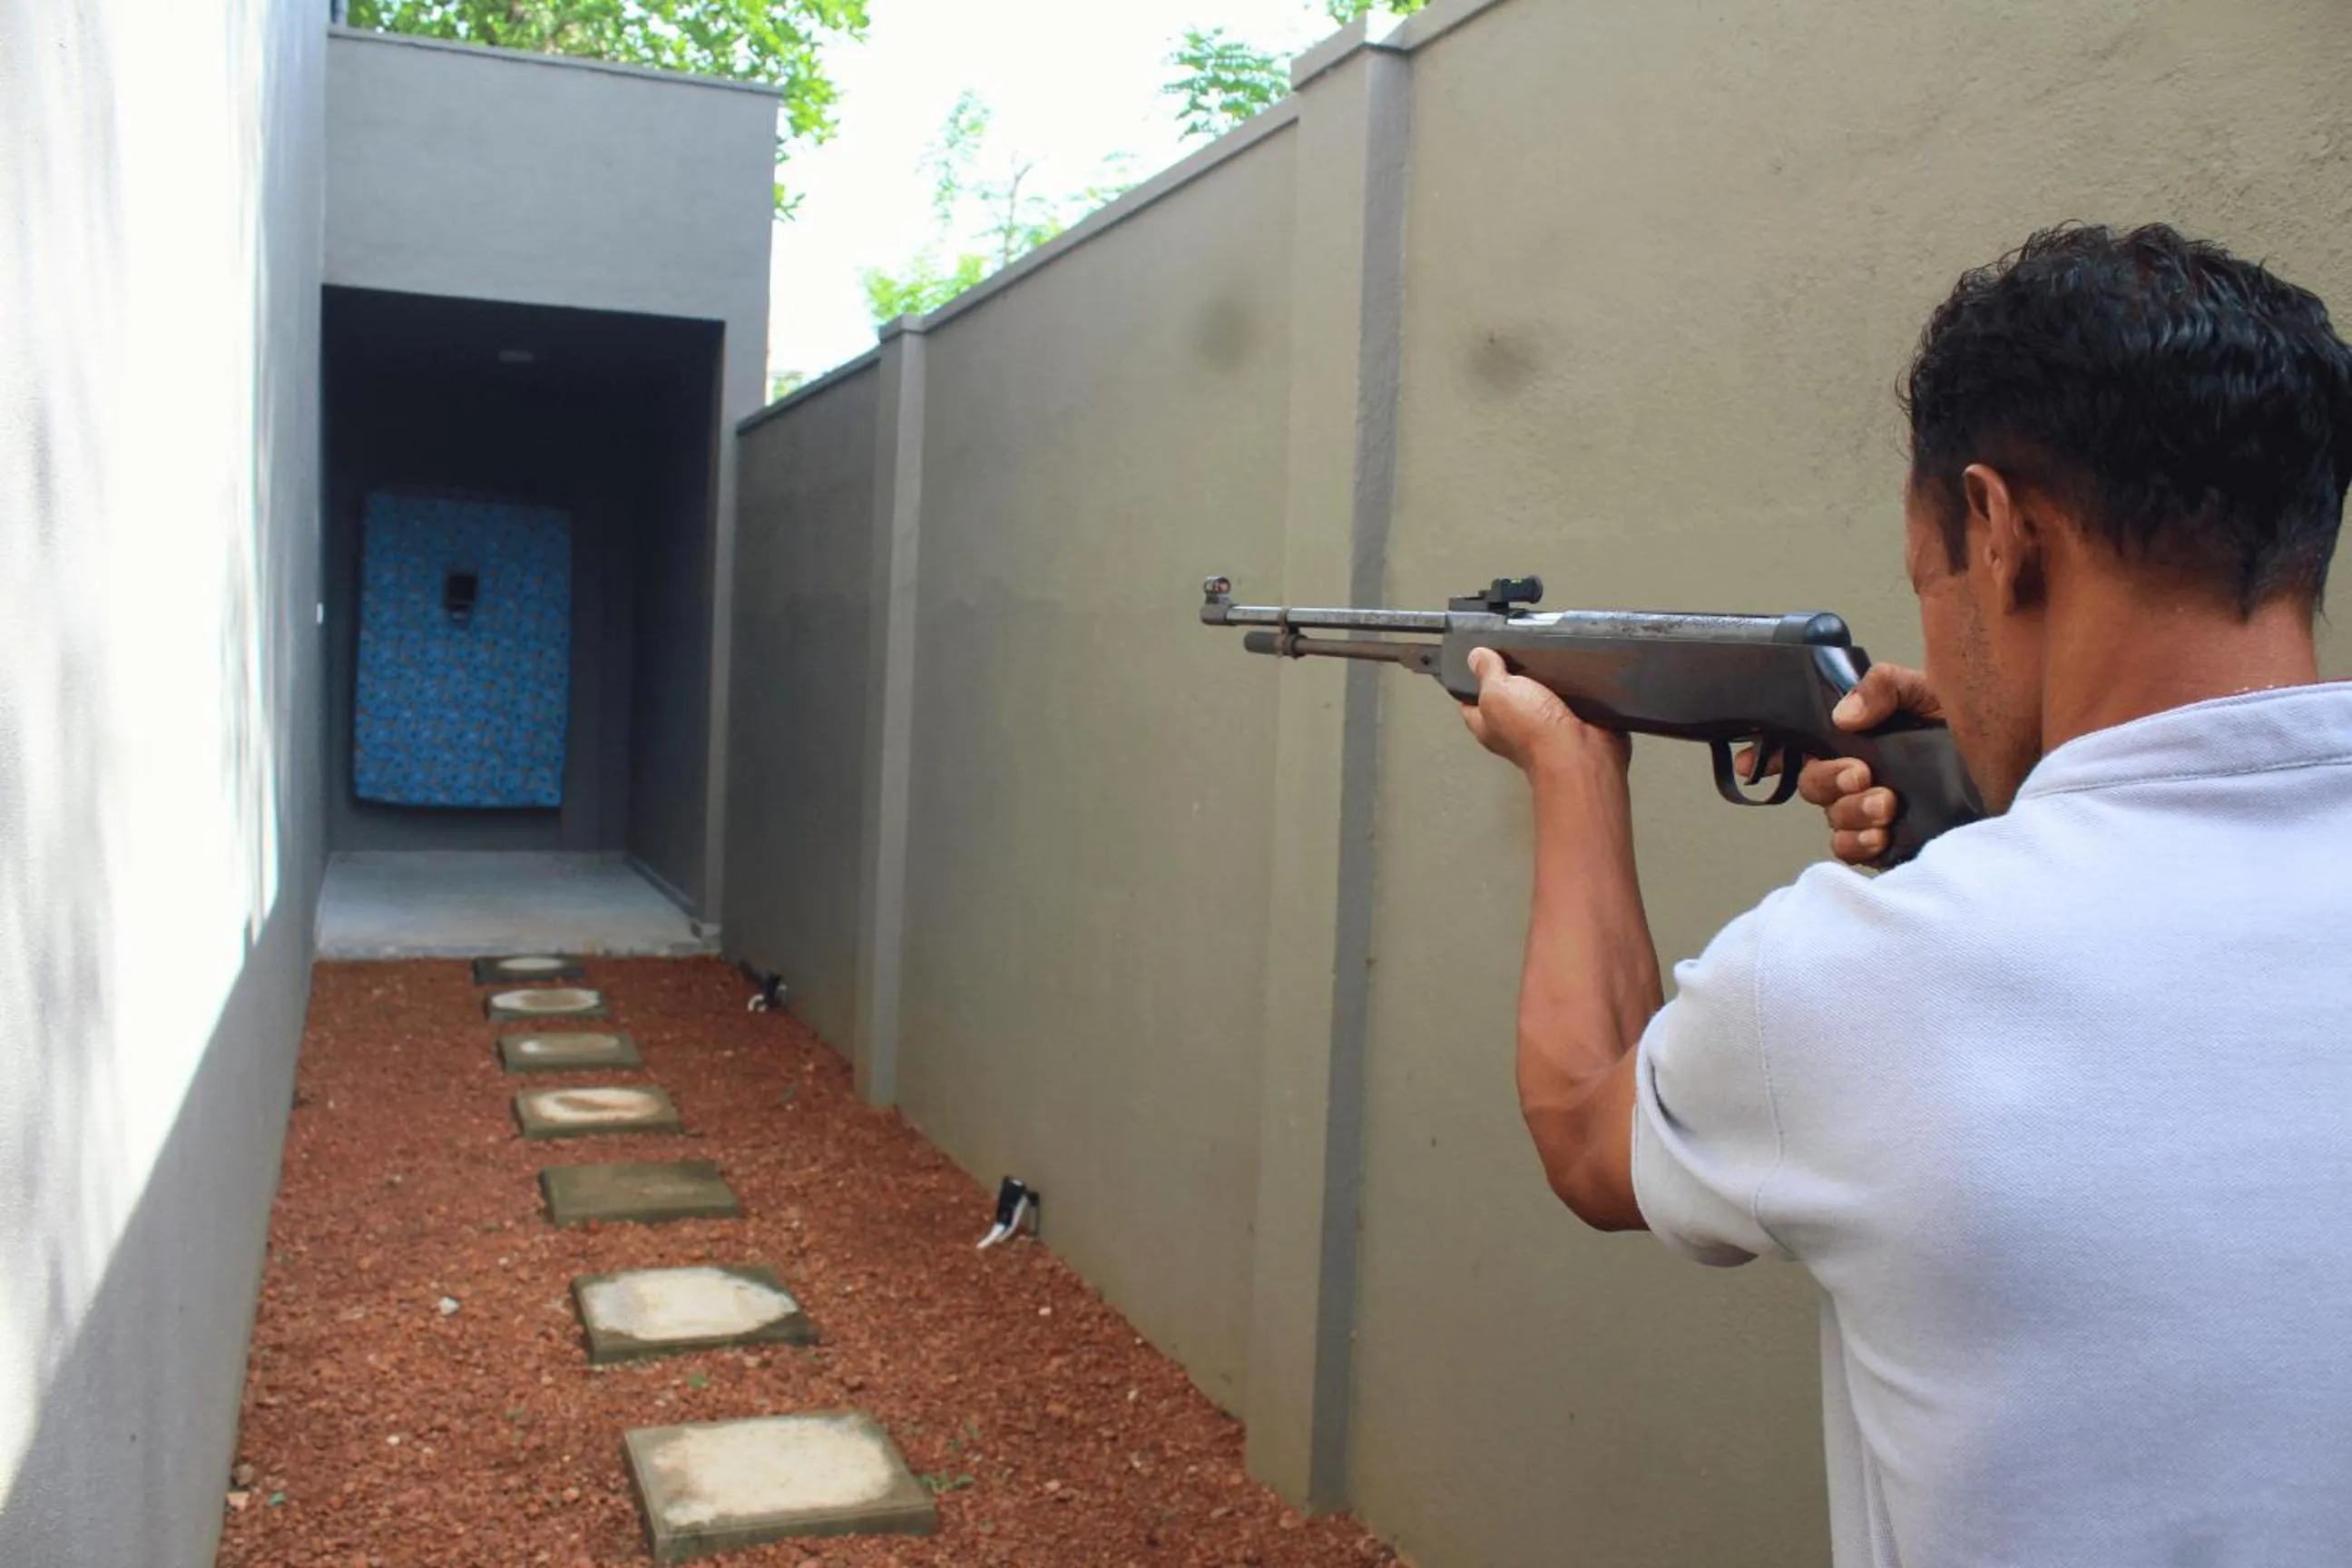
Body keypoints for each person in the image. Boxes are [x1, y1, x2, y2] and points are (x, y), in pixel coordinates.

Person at [1458, 223, 2352, 1568]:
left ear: (1997, 533)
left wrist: (1574, 768)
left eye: (1926, 579)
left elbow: (1591, 1132)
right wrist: (2008, 788)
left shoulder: (1859, 973)